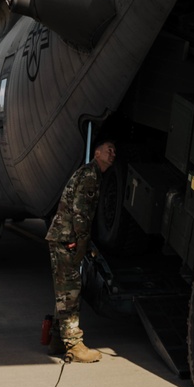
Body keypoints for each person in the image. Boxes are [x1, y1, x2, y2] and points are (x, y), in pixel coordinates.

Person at [46, 137, 116, 363]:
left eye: (114, 151)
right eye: (108, 149)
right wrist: (82, 240)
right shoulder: (90, 175)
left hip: (64, 236)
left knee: (65, 289)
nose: (112, 154)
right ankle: (74, 344)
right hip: (68, 238)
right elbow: (80, 211)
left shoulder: (91, 173)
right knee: (71, 289)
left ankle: (57, 338)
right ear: (96, 153)